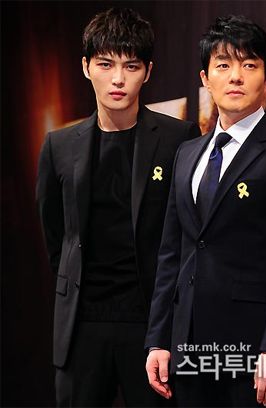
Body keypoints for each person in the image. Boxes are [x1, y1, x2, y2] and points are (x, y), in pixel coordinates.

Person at [144, 15, 266, 407]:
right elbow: (172, 254)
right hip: (189, 349)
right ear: (206, 78)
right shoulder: (187, 153)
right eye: (223, 65)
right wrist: (158, 339)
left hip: (255, 352)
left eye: (249, 65)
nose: (236, 77)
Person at [36, 7, 200, 406]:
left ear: (148, 71)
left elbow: (186, 233)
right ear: (86, 67)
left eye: (131, 66)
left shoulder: (178, 138)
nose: (118, 79)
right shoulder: (59, 146)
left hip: (151, 325)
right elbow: (56, 236)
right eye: (105, 64)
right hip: (82, 325)